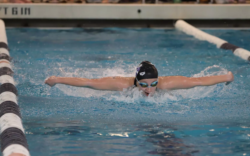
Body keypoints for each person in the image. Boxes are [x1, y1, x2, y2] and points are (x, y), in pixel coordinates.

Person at [45, 61, 234, 97]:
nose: (149, 89)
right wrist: (57, 79)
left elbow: (198, 81)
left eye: (153, 84)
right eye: (143, 85)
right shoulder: (121, 84)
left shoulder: (166, 84)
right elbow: (88, 82)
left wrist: (226, 77)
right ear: (136, 82)